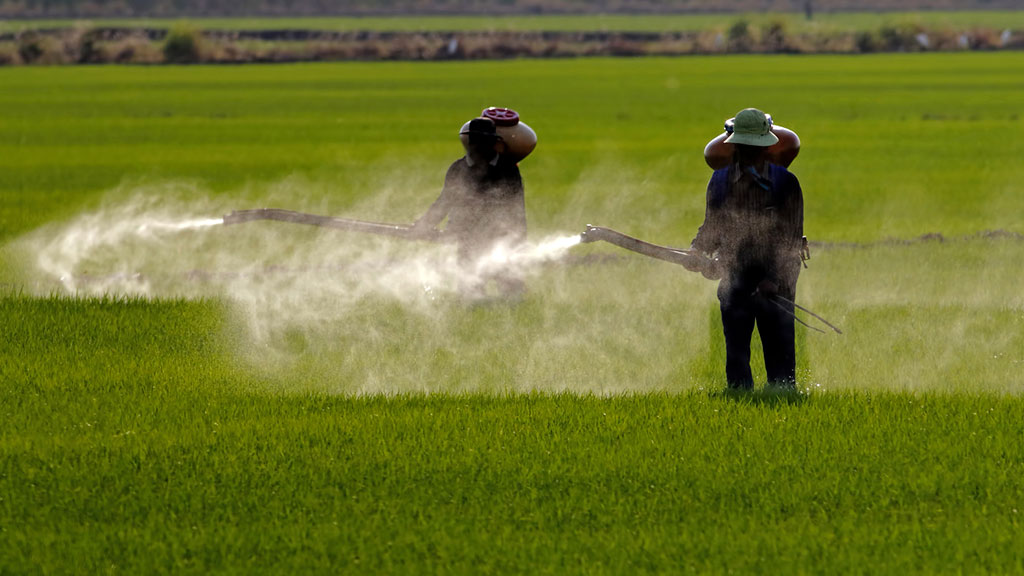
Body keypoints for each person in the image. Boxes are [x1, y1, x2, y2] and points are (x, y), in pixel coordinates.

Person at [685, 108, 805, 389]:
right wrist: (697, 250)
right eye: (744, 147)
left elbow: (790, 239)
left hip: (777, 280)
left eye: (755, 147)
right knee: (736, 349)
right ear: (735, 145)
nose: (749, 152)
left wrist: (773, 280)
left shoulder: (786, 183)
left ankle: (783, 392)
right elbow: (712, 226)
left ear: (766, 148)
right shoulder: (720, 181)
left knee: (779, 346)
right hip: (734, 274)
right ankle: (739, 394)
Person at [413, 116, 527, 299]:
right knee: (470, 294)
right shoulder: (458, 169)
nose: (477, 147)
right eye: (474, 141)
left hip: (501, 239)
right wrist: (426, 224)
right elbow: (445, 201)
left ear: (492, 143)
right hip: (467, 239)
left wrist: (519, 239)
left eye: (482, 142)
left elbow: (515, 208)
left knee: (512, 294)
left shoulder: (508, 171)